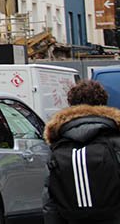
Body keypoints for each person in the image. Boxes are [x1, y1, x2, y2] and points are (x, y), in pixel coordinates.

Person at [43, 80, 120, 224]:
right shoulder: (115, 139)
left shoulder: (59, 143)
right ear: (103, 103)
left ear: (71, 105)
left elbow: (50, 198)